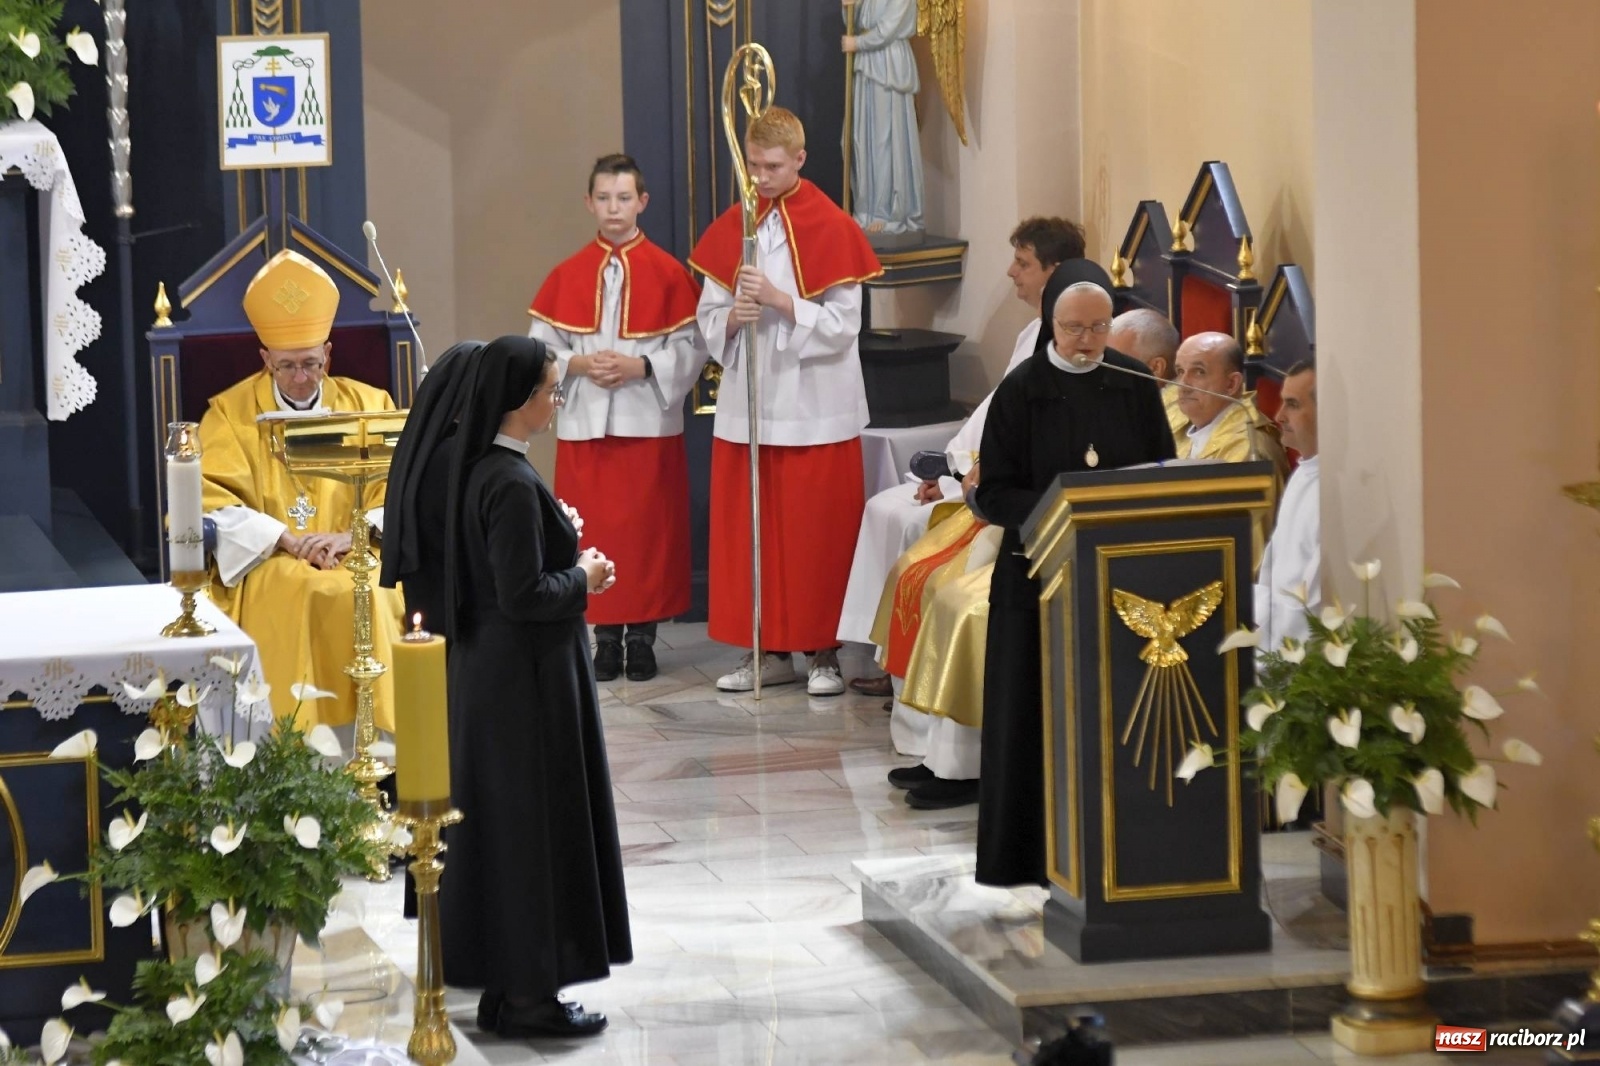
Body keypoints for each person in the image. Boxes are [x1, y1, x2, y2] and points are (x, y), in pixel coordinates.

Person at [380, 336, 629, 1038]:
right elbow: (523, 594)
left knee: (503, 836)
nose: (557, 400)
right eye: (552, 390)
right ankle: (529, 1002)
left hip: (487, 676)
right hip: (527, 682)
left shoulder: (471, 471)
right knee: (532, 837)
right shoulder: (510, 482)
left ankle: (503, 991)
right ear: (520, 402)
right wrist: (587, 577)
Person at [972, 259, 1177, 887]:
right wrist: (1059, 515)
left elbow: (1162, 471)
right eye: (1072, 328)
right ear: (1049, 324)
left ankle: (1124, 851)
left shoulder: (1135, 383)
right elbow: (994, 492)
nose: (1086, 341)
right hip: (1036, 579)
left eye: (1097, 327)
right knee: (1032, 716)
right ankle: (1031, 857)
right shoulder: (1020, 389)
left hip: (1120, 580)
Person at [838, 217, 1087, 697]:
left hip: (1001, 491)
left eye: (1023, 262)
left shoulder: (1061, 345)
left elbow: (1022, 435)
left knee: (911, 523)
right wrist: (948, 468)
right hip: (971, 470)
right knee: (882, 507)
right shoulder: (1032, 332)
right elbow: (993, 413)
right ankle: (887, 658)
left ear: (1055, 270)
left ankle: (910, 675)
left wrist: (956, 481)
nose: (1012, 273)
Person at [689, 105, 883, 696]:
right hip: (752, 404)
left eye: (773, 165)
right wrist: (729, 318)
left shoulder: (833, 227)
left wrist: (779, 300)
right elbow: (705, 315)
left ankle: (822, 652)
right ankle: (765, 650)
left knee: (816, 533)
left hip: (814, 405)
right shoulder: (734, 227)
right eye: (753, 165)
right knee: (757, 533)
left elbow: (845, 325)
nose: (761, 177)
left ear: (800, 159)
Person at [199, 248, 405, 729]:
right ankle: (298, 747)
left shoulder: (369, 405)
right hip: (273, 558)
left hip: (355, 550)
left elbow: (401, 489)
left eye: (311, 364)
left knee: (371, 591)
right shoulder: (229, 414)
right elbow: (213, 503)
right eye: (287, 365)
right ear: (265, 358)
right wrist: (288, 540)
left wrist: (352, 536)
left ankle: (375, 742)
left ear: (328, 354)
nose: (300, 377)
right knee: (303, 589)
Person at [528, 153, 708, 683]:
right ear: (589, 203)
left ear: (642, 202)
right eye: (604, 198)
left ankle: (643, 639)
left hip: (646, 422)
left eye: (624, 198)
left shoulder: (669, 273)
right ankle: (604, 639)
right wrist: (579, 362)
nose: (614, 208)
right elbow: (539, 349)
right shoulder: (566, 274)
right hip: (586, 424)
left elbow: (693, 346)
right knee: (592, 531)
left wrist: (642, 364)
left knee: (648, 535)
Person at [1254, 361, 1320, 655]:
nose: (1279, 416)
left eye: (1292, 404)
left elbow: (1313, 603)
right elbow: (1271, 570)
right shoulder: (1303, 474)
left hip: (1300, 658)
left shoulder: (1332, 491)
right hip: (1270, 644)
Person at [843, 0, 924, 237]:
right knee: (861, 138)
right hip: (867, 63)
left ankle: (888, 211)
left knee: (885, 138)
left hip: (888, 64)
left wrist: (857, 42)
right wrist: (850, 7)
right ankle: (866, 209)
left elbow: (888, 29)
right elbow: (857, 23)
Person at [1171, 332, 1272, 462]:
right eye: (1180, 371)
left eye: (1199, 372)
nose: (1183, 385)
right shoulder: (1187, 427)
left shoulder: (1247, 447)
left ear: (1231, 384)